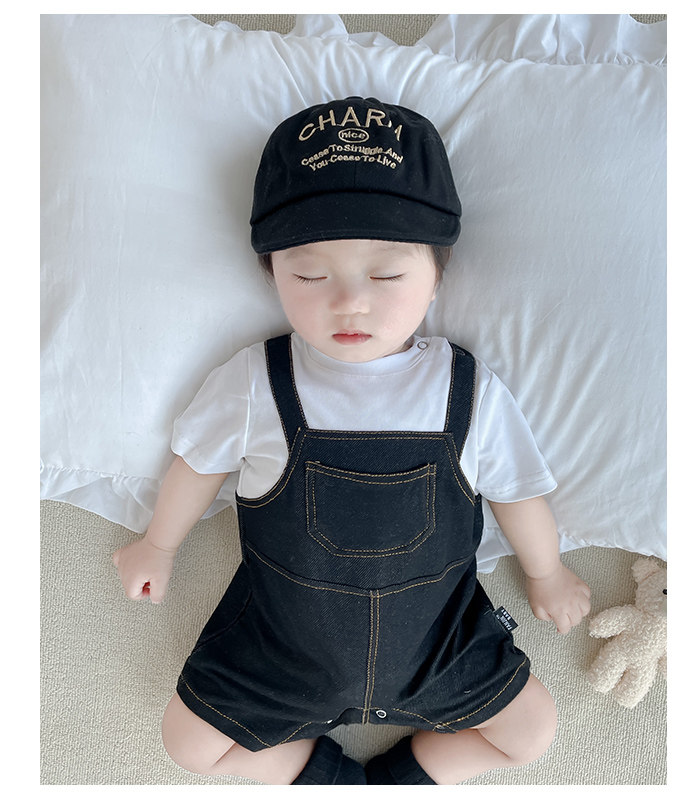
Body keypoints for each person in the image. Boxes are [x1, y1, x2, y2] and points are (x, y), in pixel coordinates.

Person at [112, 96, 591, 785]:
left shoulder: (466, 387)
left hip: (439, 646)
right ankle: (327, 779)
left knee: (533, 731)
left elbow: (517, 491)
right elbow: (197, 464)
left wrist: (546, 573)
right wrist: (158, 544)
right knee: (187, 743)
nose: (349, 302)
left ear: (437, 278)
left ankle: (404, 779)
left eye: (387, 275)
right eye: (309, 275)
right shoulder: (258, 380)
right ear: (272, 274)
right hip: (283, 650)